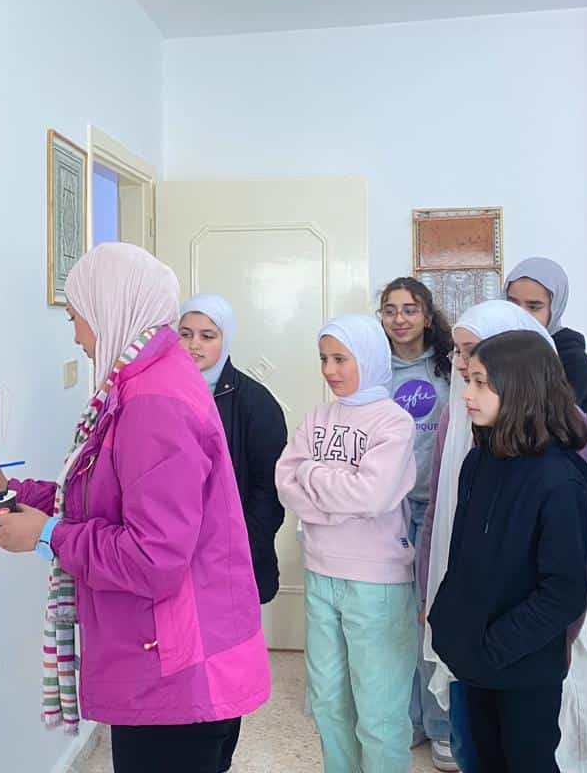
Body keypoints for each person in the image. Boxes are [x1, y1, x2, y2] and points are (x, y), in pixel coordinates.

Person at [0, 242, 270, 773]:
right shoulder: (144, 382)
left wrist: (48, 536)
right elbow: (102, 496)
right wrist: (15, 490)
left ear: (111, 310)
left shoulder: (152, 402)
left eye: (76, 318)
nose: (76, 337)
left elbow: (154, 557)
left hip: (177, 673)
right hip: (171, 661)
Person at [419, 301, 587, 773]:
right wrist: (451, 627)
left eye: (481, 383)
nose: (467, 394)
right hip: (473, 660)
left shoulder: (559, 479)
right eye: (468, 380)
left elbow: (563, 592)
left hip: (521, 668)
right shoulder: (479, 460)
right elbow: (462, 559)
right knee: (477, 760)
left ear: (520, 388)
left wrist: (494, 647)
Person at [276, 315, 417, 773]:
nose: (329, 370)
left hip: (377, 581)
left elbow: (372, 495)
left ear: (369, 358)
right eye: (323, 359)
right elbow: (285, 482)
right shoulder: (318, 416)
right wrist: (338, 500)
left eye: (341, 359)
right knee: (328, 702)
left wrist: (313, 478)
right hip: (320, 572)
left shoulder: (394, 421)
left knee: (378, 713)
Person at [178, 294, 287, 772]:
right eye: (186, 334)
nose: (194, 345)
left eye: (207, 335)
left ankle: (219, 758)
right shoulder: (165, 392)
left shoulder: (254, 402)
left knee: (225, 672)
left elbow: (269, 491)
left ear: (226, 340)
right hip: (179, 561)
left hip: (233, 564)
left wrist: (238, 550)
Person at [378, 277, 456, 771]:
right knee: (396, 620)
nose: (400, 319)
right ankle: (409, 721)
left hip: (438, 506)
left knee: (433, 618)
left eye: (410, 309)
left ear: (428, 316)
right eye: (390, 310)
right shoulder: (373, 368)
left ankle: (443, 726)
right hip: (388, 510)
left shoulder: (451, 367)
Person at [506, 257, 587, 414]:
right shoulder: (494, 349)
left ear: (555, 308)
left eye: (533, 307)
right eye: (512, 304)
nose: (520, 315)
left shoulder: (573, 362)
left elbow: (560, 422)